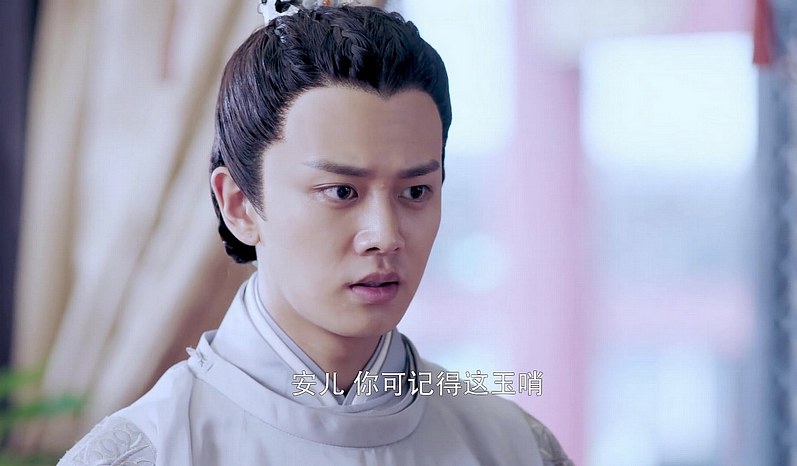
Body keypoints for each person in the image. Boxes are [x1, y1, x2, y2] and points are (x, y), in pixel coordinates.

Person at [58, 2, 573, 465]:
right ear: (239, 204)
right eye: (342, 192)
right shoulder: (147, 452)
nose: (385, 235)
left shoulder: (517, 447)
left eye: (415, 192)